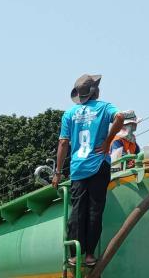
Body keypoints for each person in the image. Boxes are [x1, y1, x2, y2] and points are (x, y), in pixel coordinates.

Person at [52, 74, 124, 267]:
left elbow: (63, 143)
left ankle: (75, 255)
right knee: (95, 210)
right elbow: (120, 117)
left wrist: (58, 172)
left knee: (77, 210)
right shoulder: (103, 107)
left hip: (78, 166)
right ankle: (90, 255)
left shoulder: (69, 114)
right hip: (99, 164)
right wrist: (108, 142)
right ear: (96, 91)